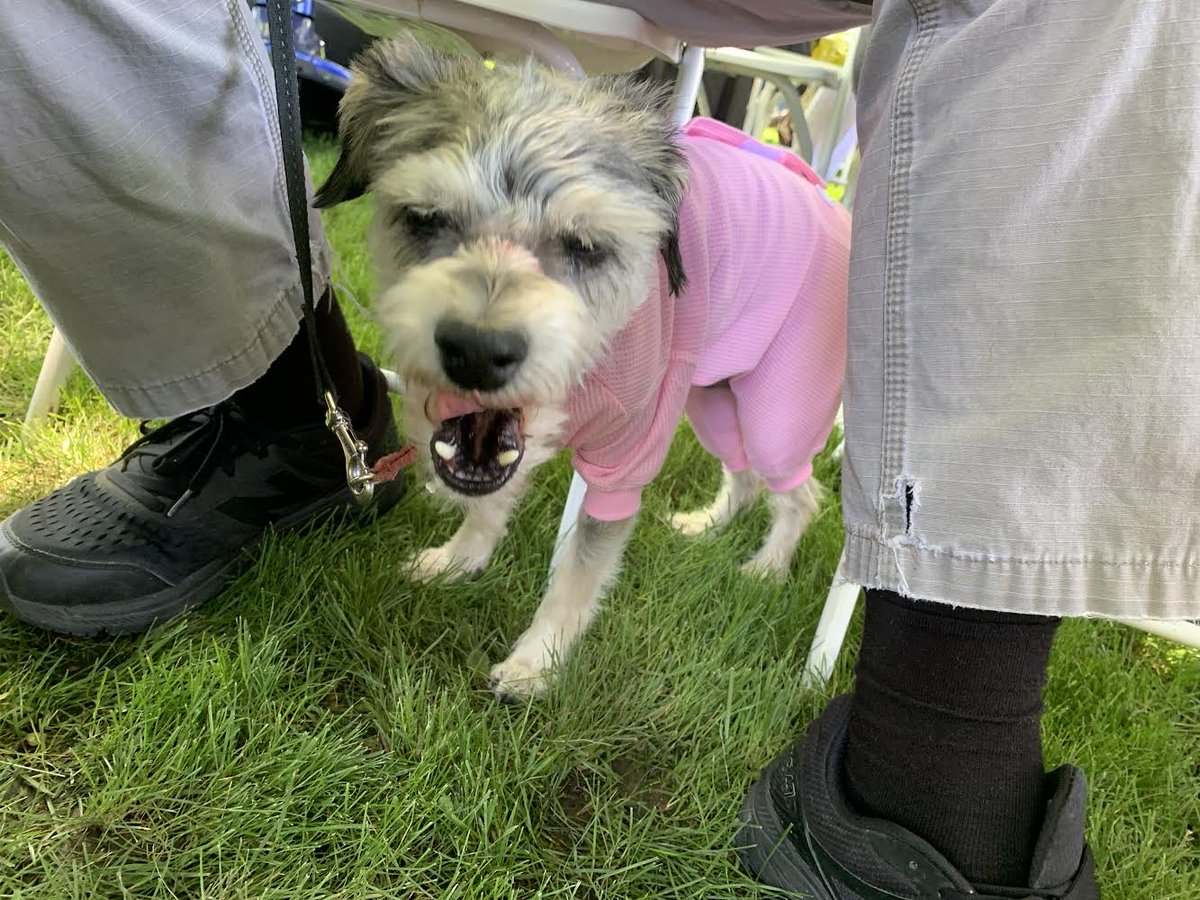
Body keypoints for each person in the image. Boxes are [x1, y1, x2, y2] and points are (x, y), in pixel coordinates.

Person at [1, 2, 1196, 898]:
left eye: (580, 252)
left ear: (655, 245)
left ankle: (797, 545)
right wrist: (479, 531)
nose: (483, 319)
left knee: (764, 443)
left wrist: (538, 647)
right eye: (426, 221)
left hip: (797, 282)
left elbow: (608, 489)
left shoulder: (677, 300)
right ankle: (274, 410)